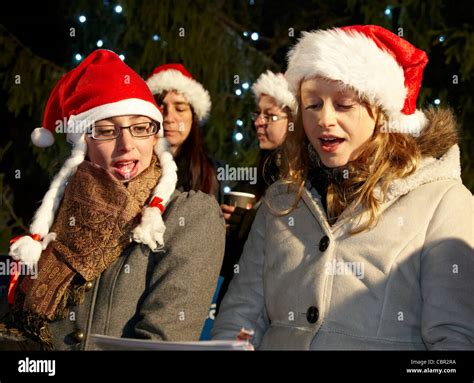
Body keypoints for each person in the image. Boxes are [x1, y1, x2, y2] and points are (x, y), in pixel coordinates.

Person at [212, 25, 474, 350]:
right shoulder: (281, 199)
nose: (324, 119)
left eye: (343, 104)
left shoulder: (443, 201)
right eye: (313, 104)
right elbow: (242, 316)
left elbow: (455, 340)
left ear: (381, 112)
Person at [0, 50, 225, 350]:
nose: (127, 144)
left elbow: (163, 341)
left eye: (141, 127)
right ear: (84, 144)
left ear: (155, 137)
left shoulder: (189, 214)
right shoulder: (59, 211)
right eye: (106, 131)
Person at [217, 71, 296, 309]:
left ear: (294, 121)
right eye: (258, 113)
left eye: (270, 116)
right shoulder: (256, 174)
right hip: (235, 303)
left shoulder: (298, 180)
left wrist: (248, 222)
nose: (258, 121)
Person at [146, 64, 220, 199]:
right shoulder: (135, 164)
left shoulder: (208, 172)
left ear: (194, 117)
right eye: (161, 108)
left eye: (179, 109)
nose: (169, 118)